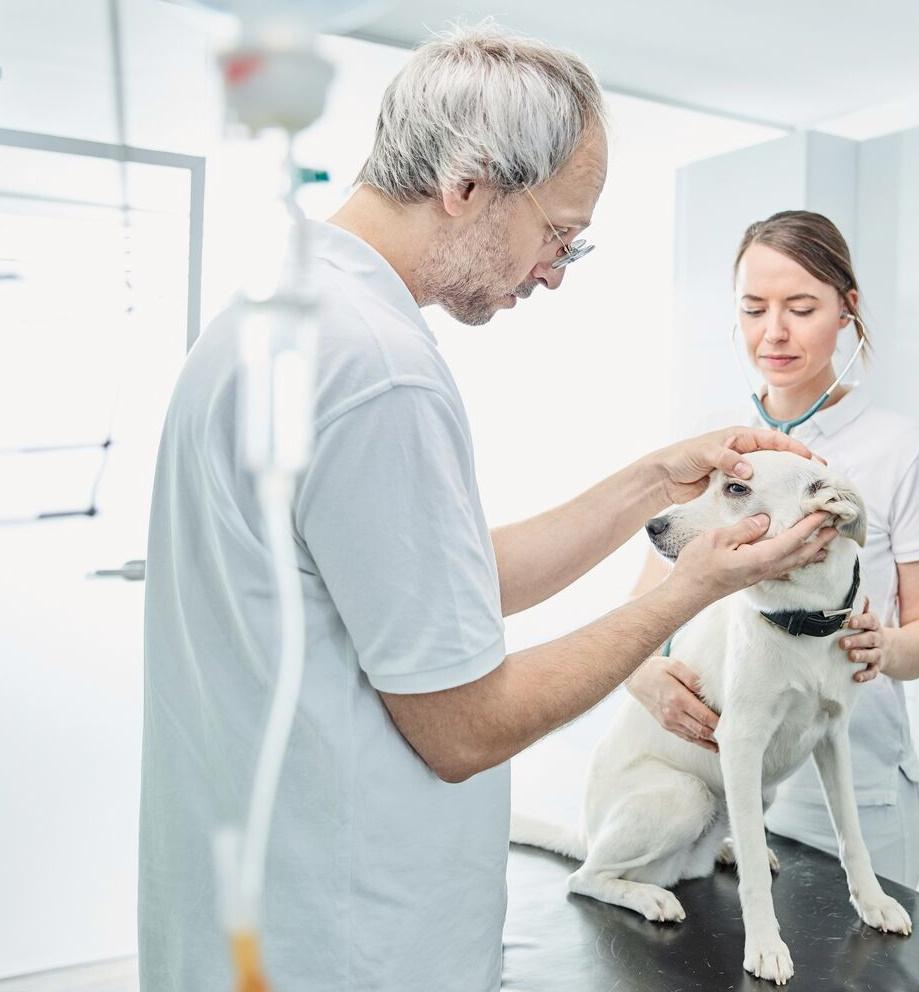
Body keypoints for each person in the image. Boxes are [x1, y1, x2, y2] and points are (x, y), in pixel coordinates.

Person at [139, 28, 838, 992]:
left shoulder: (281, 313)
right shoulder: (380, 372)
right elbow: (465, 727)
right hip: (350, 941)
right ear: (468, 184)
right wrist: (692, 589)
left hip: (253, 916)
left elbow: (437, 583)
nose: (552, 271)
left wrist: (650, 480)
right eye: (557, 233)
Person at [627, 210, 919, 887]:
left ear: (848, 310)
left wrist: (888, 647)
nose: (773, 332)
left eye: (801, 308)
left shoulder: (904, 451)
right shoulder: (714, 447)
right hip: (727, 796)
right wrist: (644, 680)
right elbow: (645, 612)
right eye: (753, 309)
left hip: (855, 794)